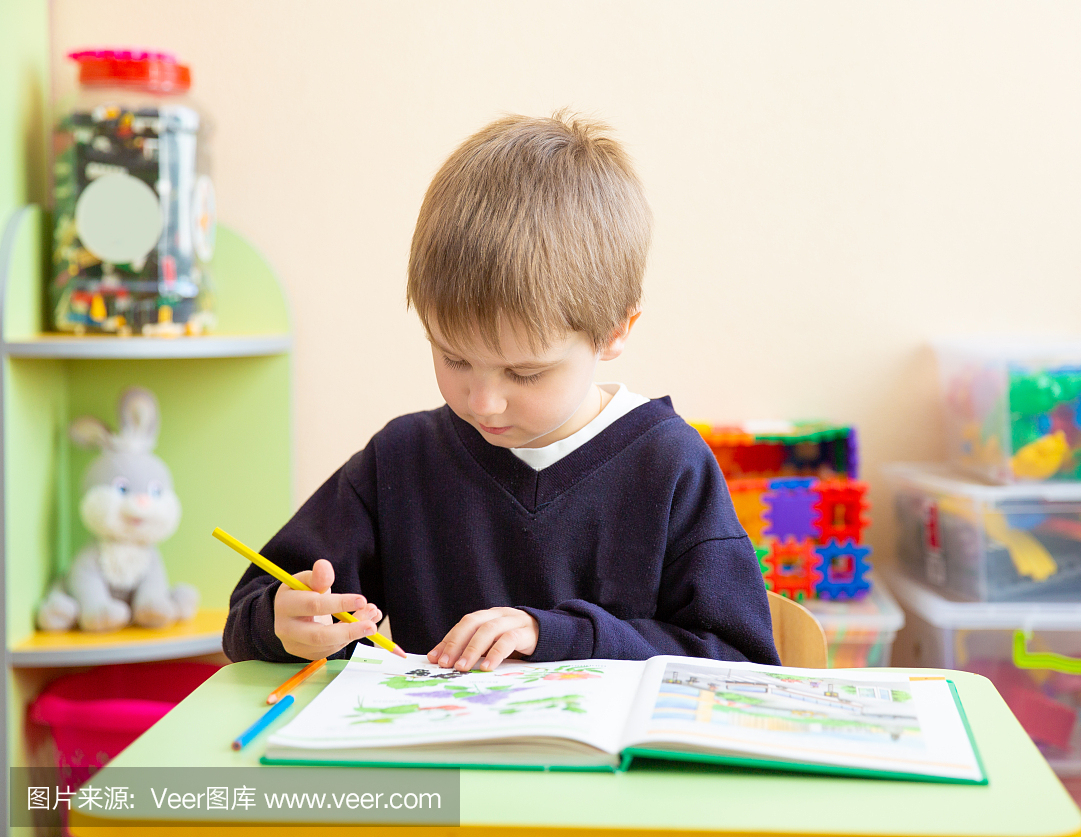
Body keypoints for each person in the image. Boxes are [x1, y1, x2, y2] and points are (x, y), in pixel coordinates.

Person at [223, 111, 779, 670]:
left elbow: (740, 665)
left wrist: (558, 634)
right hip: (440, 757)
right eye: (454, 358)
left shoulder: (669, 465)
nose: (482, 403)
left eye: (525, 373)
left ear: (614, 333)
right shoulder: (401, 460)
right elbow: (251, 611)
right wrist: (285, 623)